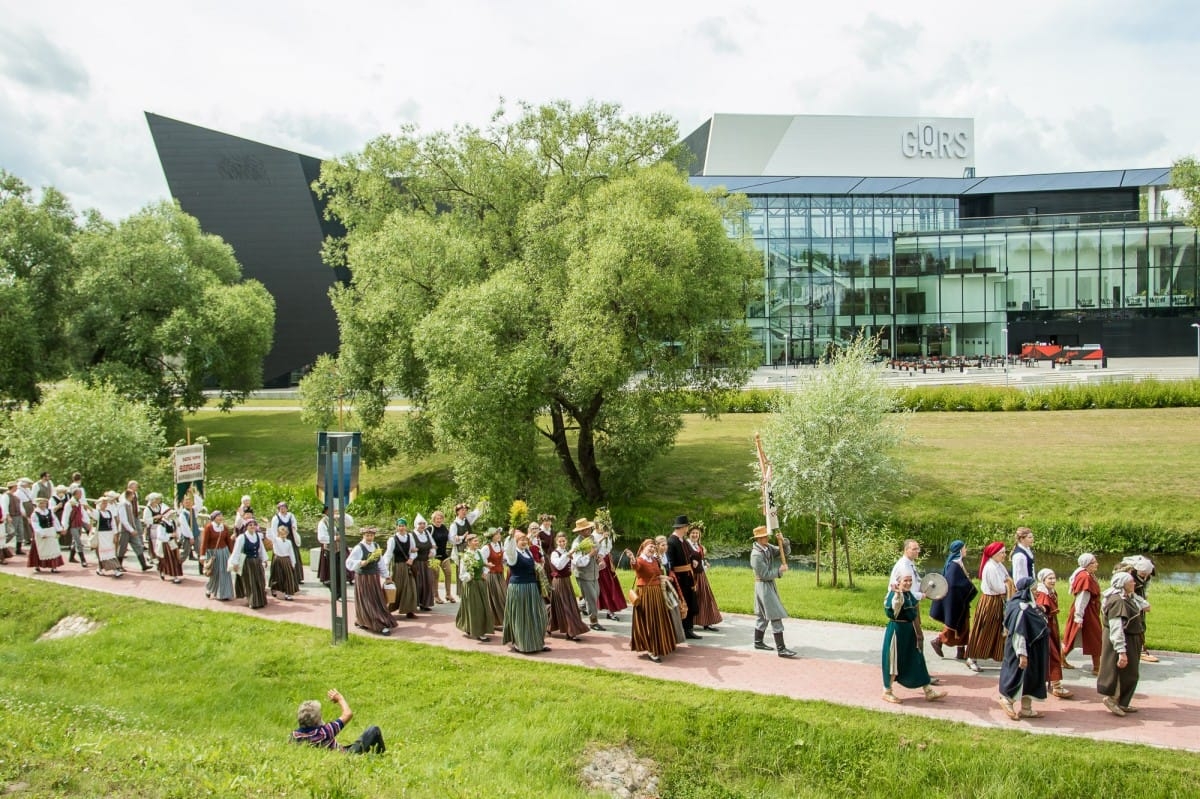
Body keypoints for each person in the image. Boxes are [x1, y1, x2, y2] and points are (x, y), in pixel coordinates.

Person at [882, 573, 946, 704]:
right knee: (894, 662)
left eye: (910, 580)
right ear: (898, 582)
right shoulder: (894, 595)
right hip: (897, 632)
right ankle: (887, 691)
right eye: (905, 580)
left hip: (909, 631)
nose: (908, 583)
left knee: (917, 659)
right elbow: (895, 606)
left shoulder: (908, 594)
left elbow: (915, 600)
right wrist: (898, 594)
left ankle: (929, 691)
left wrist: (926, 595)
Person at [997, 576, 1050, 720]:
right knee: (1020, 676)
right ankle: (1008, 700)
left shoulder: (1027, 606)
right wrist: (1022, 655)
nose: (1037, 592)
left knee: (1032, 678)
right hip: (1024, 651)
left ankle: (1026, 709)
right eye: (1034, 590)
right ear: (1027, 591)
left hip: (1034, 652)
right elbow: (1019, 633)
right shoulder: (1022, 609)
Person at [1097, 571, 1147, 716]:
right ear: (1123, 584)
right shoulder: (1117, 601)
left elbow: (1143, 604)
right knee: (1119, 670)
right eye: (1131, 582)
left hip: (1131, 638)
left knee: (1130, 672)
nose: (1134, 584)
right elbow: (1116, 628)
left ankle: (1123, 701)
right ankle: (1112, 698)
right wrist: (1121, 651)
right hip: (1123, 640)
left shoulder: (1126, 597)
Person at [750, 525, 797, 658]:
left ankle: (758, 642)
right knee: (774, 613)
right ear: (758, 539)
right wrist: (779, 571)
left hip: (768, 585)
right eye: (764, 536)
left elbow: (784, 552)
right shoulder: (756, 555)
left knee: (762, 615)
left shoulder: (767, 547)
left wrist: (783, 542)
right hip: (763, 586)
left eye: (767, 535)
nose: (767, 537)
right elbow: (764, 574)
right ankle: (781, 649)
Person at [292, 689, 385, 754]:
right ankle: (381, 756)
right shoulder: (324, 732)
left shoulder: (295, 736)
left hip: (337, 751)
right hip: (346, 755)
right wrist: (340, 698)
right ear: (316, 720)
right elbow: (348, 714)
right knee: (374, 730)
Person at [929, 540, 978, 662]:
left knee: (963, 624)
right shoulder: (954, 566)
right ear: (960, 550)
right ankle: (939, 640)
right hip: (954, 600)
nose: (966, 550)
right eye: (965, 548)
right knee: (956, 624)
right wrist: (969, 586)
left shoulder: (956, 563)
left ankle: (961, 651)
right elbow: (955, 584)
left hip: (959, 599)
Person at [502, 530, 550, 654]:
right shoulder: (513, 555)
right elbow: (509, 549)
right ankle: (521, 644)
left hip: (532, 587)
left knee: (537, 615)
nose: (523, 542)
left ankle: (537, 642)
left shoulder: (527, 551)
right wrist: (511, 536)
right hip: (519, 588)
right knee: (521, 616)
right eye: (520, 540)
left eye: (525, 539)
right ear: (515, 542)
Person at [629, 538, 676, 663]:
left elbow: (656, 574)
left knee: (658, 619)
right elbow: (636, 567)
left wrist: (665, 577)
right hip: (646, 594)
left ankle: (659, 645)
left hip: (657, 593)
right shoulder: (640, 560)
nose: (652, 549)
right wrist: (632, 559)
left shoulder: (654, 560)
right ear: (643, 548)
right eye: (650, 547)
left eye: (653, 548)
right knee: (649, 620)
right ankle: (651, 649)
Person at [966, 541, 1010, 671]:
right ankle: (972, 657)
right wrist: (1008, 584)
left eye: (1004, 552)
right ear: (994, 554)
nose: (1004, 555)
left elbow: (1007, 579)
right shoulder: (990, 567)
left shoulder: (999, 565)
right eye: (1002, 553)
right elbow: (999, 587)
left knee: (998, 630)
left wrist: (1007, 583)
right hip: (990, 602)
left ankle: (1000, 656)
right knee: (984, 629)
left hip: (998, 601)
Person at [345, 527, 397, 636]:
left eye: (371, 535)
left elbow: (380, 563)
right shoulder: (359, 548)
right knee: (367, 600)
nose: (369, 537)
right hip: (363, 578)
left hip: (374, 577)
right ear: (363, 535)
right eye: (367, 535)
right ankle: (377, 623)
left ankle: (365, 620)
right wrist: (360, 562)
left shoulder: (376, 546)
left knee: (376, 599)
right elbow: (349, 562)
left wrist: (386, 575)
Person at [1062, 553, 1103, 675]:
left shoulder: (1089, 575)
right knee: (1095, 637)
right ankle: (1097, 668)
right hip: (1085, 611)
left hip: (1088, 610)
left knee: (1077, 636)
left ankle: (1061, 657)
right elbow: (1082, 598)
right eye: (1094, 562)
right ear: (1087, 565)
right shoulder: (1085, 577)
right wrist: (1078, 617)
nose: (1097, 564)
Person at [1034, 569, 1073, 698]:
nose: (1053, 580)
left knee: (1050, 654)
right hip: (1045, 629)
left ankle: (1042, 681)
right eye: (1049, 578)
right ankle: (1057, 686)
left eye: (1054, 577)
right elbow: (1040, 613)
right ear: (1043, 580)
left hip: (1051, 626)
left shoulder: (1051, 592)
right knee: (1052, 655)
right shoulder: (1042, 594)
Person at [1116, 555, 1158, 663]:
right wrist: (1142, 603)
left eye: (1147, 574)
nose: (1145, 576)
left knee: (1141, 624)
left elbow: (1145, 586)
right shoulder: (1129, 575)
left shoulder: (1147, 573)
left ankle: (1139, 649)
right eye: (1143, 574)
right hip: (1129, 602)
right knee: (1130, 625)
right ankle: (1129, 650)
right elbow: (1130, 593)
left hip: (1138, 600)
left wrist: (1145, 597)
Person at [665, 515, 702, 639]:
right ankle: (681, 629)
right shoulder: (672, 541)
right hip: (680, 579)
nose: (688, 529)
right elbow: (670, 563)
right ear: (683, 527)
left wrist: (694, 560)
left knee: (690, 602)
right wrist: (672, 578)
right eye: (687, 526)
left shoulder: (683, 540)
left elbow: (692, 553)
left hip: (687, 577)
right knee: (682, 603)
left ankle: (688, 629)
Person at [547, 532, 589, 641]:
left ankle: (553, 627)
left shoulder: (567, 552)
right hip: (559, 582)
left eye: (564, 541)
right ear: (556, 542)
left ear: (566, 541)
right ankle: (570, 632)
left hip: (567, 581)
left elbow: (574, 564)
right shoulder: (554, 554)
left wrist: (588, 556)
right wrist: (568, 554)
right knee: (565, 606)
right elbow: (559, 566)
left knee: (566, 605)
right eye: (560, 541)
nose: (562, 543)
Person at [454, 533, 492, 642]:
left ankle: (471, 628)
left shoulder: (479, 553)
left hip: (480, 584)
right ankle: (478, 632)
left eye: (477, 541)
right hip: (471, 585)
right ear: (469, 543)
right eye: (475, 541)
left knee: (482, 607)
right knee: (475, 608)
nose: (477, 543)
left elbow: (484, 564)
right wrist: (469, 576)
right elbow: (462, 574)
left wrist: (485, 572)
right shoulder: (466, 556)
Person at [570, 518, 605, 632]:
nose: (588, 530)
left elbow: (598, 549)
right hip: (583, 574)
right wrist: (590, 555)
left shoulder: (592, 538)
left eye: (589, 528)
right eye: (585, 529)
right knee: (592, 598)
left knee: (596, 594)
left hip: (594, 573)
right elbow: (578, 562)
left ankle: (581, 606)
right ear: (580, 531)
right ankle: (593, 622)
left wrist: (600, 558)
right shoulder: (577, 543)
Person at [687, 523, 722, 632]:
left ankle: (707, 622)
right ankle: (690, 623)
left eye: (697, 533)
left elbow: (700, 560)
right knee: (693, 599)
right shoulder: (686, 545)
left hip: (701, 575)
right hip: (692, 576)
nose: (695, 535)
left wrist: (704, 565)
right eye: (693, 533)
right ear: (689, 534)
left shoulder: (699, 546)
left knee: (705, 598)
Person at [230, 515, 269, 609]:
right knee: (250, 582)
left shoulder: (258, 537)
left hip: (256, 562)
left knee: (259, 581)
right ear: (246, 527)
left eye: (254, 525)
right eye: (250, 525)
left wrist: (264, 559)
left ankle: (260, 600)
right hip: (247, 563)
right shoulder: (242, 538)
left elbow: (261, 549)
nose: (252, 526)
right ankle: (252, 601)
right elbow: (237, 550)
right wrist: (234, 563)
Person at [383, 518, 418, 619]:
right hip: (397, 566)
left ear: (406, 526)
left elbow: (413, 550)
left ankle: (409, 610)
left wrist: (411, 559)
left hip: (407, 566)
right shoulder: (392, 539)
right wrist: (385, 569)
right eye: (399, 526)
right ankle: (388, 609)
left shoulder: (410, 537)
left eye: (403, 526)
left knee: (410, 587)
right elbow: (388, 554)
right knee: (396, 588)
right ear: (397, 527)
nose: (401, 528)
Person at [146, 494, 184, 584]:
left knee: (175, 558)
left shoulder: (171, 522)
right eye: (170, 514)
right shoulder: (162, 525)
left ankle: (172, 573)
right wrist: (171, 535)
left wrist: (177, 535)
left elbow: (176, 530)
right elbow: (160, 536)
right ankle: (169, 574)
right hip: (165, 544)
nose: (172, 515)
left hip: (172, 543)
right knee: (168, 559)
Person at [594, 520, 626, 622]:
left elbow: (609, 547)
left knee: (610, 585)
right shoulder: (593, 535)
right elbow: (593, 547)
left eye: (604, 526)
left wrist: (607, 557)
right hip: (597, 562)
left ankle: (611, 611)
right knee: (599, 586)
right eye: (601, 526)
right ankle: (586, 605)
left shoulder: (607, 534)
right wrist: (600, 556)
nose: (603, 528)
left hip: (607, 561)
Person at [267, 509, 302, 601]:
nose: (283, 535)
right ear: (278, 534)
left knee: (288, 576)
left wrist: (293, 563)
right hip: (278, 559)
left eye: (285, 534)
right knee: (277, 576)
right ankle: (274, 589)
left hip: (286, 560)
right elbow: (269, 535)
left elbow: (291, 553)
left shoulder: (289, 542)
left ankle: (288, 593)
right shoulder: (276, 540)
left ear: (287, 534)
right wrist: (268, 525)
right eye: (281, 534)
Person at [200, 509, 235, 601]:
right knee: (215, 573)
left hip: (224, 552)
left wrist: (233, 553)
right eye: (218, 516)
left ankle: (224, 593)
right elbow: (204, 542)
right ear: (214, 518)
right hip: (213, 553)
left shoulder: (225, 527)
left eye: (221, 516)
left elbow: (229, 542)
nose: (220, 518)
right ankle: (209, 588)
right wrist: (202, 555)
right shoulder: (209, 528)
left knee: (225, 572)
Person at [27, 495, 65, 573]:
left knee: (53, 549)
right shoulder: (35, 514)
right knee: (39, 549)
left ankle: (54, 567)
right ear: (37, 504)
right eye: (41, 503)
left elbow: (55, 521)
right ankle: (37, 565)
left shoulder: (49, 511)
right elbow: (35, 525)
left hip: (50, 531)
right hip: (41, 533)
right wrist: (41, 533)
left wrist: (60, 529)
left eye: (44, 503)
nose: (43, 505)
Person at [116, 487, 150, 572]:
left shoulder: (129, 504)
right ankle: (118, 565)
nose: (133, 497)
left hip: (131, 529)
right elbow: (123, 520)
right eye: (132, 495)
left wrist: (133, 528)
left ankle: (143, 565)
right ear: (129, 495)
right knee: (122, 548)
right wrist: (131, 530)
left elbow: (131, 518)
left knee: (138, 545)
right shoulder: (122, 505)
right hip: (124, 530)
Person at [91, 493, 123, 577]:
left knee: (111, 552)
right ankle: (113, 569)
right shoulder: (97, 513)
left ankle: (104, 568)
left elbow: (113, 524)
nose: (104, 505)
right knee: (103, 553)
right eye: (103, 503)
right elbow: (91, 512)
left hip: (109, 534)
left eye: (105, 503)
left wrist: (115, 535)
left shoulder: (109, 513)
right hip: (101, 535)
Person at [482, 527, 507, 630]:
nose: (499, 536)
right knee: (495, 597)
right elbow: (482, 562)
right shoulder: (486, 548)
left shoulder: (500, 545)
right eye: (497, 534)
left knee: (503, 596)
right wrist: (485, 572)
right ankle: (494, 621)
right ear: (492, 536)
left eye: (499, 534)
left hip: (500, 575)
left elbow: (504, 559)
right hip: (491, 576)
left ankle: (501, 620)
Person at [411, 514, 436, 611]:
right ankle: (416, 603)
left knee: (428, 581)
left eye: (423, 523)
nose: (422, 525)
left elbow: (433, 545)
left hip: (426, 562)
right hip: (417, 562)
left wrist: (432, 552)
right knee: (418, 583)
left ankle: (425, 603)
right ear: (416, 525)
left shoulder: (427, 533)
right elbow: (411, 549)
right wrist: (414, 551)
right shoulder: (412, 535)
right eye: (420, 524)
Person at [62, 486, 91, 568]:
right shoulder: (69, 504)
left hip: (79, 524)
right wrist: (65, 527)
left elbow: (83, 514)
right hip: (73, 525)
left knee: (75, 541)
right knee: (78, 542)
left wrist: (87, 522)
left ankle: (71, 557)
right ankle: (83, 560)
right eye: (79, 493)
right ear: (75, 494)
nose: (81, 495)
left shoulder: (79, 503)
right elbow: (66, 516)